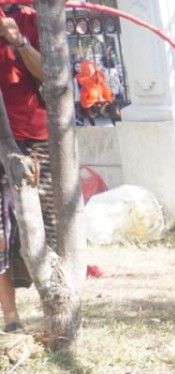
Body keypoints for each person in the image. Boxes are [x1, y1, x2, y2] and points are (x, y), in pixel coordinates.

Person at [0, 5, 52, 334]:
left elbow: (51, 74)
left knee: (48, 228)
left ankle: (55, 311)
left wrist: (18, 42)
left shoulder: (30, 14)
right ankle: (11, 318)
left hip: (33, 137)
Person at [74, 59, 119, 125]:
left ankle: (115, 121)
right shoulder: (79, 77)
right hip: (90, 98)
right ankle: (89, 123)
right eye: (76, 67)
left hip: (99, 97)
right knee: (89, 113)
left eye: (79, 66)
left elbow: (103, 85)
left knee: (111, 111)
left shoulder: (98, 75)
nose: (78, 68)